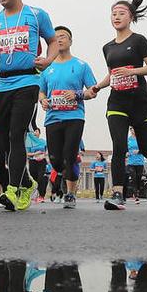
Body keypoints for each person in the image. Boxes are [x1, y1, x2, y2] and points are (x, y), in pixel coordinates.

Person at [0, 0, 58, 211]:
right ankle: (26, 183)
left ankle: (14, 190)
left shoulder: (36, 15)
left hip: (27, 82)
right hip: (1, 83)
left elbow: (53, 41)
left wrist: (48, 59)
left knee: (16, 135)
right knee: (1, 141)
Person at [86, 0, 147, 211]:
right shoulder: (108, 47)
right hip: (117, 102)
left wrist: (132, 71)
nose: (116, 17)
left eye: (121, 13)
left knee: (146, 147)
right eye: (113, 14)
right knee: (119, 147)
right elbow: (111, 75)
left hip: (141, 101)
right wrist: (96, 86)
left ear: (131, 17)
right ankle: (118, 194)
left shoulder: (139, 40)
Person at [38, 26, 96, 209]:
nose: (60, 39)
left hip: (74, 117)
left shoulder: (81, 65)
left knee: (69, 156)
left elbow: (92, 91)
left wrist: (77, 94)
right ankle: (66, 175)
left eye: (63, 36)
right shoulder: (47, 69)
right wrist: (43, 101)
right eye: (56, 37)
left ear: (70, 41)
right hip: (53, 118)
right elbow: (41, 92)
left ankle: (70, 193)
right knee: (55, 160)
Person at [24, 127, 48, 203]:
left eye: (36, 131)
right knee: (34, 179)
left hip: (42, 161)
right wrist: (35, 153)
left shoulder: (43, 141)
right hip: (33, 162)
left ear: (39, 133)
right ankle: (34, 194)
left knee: (41, 177)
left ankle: (41, 196)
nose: (35, 133)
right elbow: (27, 154)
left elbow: (48, 150)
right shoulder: (29, 142)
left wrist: (44, 154)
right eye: (33, 131)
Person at [125, 129, 146, 202]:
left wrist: (139, 151)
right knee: (133, 178)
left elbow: (146, 149)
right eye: (131, 129)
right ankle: (136, 195)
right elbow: (125, 149)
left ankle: (137, 191)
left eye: (133, 128)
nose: (132, 130)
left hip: (140, 162)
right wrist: (126, 153)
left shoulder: (141, 138)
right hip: (131, 162)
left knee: (138, 178)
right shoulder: (128, 139)